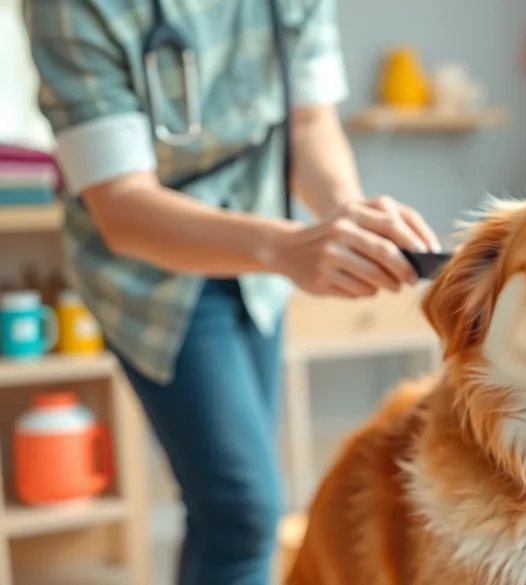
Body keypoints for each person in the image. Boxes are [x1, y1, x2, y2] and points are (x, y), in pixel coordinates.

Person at [23, 1, 439, 584]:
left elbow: (310, 123)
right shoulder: (74, 9)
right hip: (146, 273)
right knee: (243, 510)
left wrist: (348, 215)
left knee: (222, 507)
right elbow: (121, 207)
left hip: (260, 258)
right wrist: (290, 249)